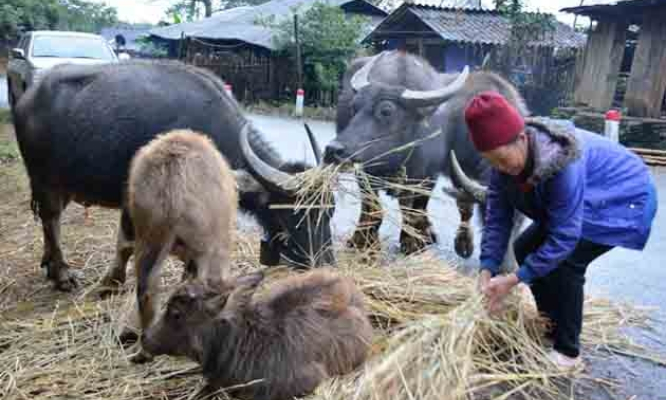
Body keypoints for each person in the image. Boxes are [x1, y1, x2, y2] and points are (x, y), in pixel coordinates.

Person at [463, 91, 658, 370]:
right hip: (584, 200)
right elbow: (497, 220)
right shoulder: (501, 166)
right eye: (492, 162)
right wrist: (487, 269)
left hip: (622, 197)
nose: (501, 169)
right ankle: (550, 325)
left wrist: (515, 279)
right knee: (524, 249)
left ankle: (568, 351)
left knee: (566, 263)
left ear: (521, 138)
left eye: (503, 160)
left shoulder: (562, 160)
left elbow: (565, 238)